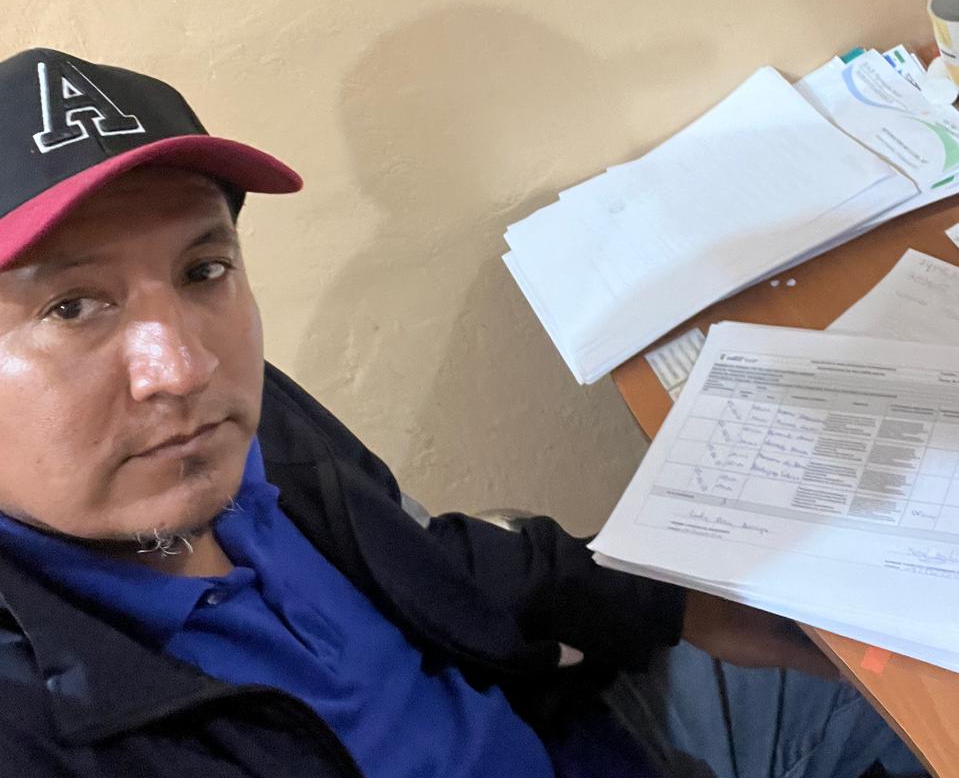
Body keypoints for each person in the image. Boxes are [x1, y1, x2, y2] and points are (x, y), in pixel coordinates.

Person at [0, 46, 924, 778]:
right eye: (71, 307)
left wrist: (678, 600)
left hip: (572, 736)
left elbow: (420, 557)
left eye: (203, 270)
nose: (183, 366)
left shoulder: (237, 421)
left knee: (899, 660)